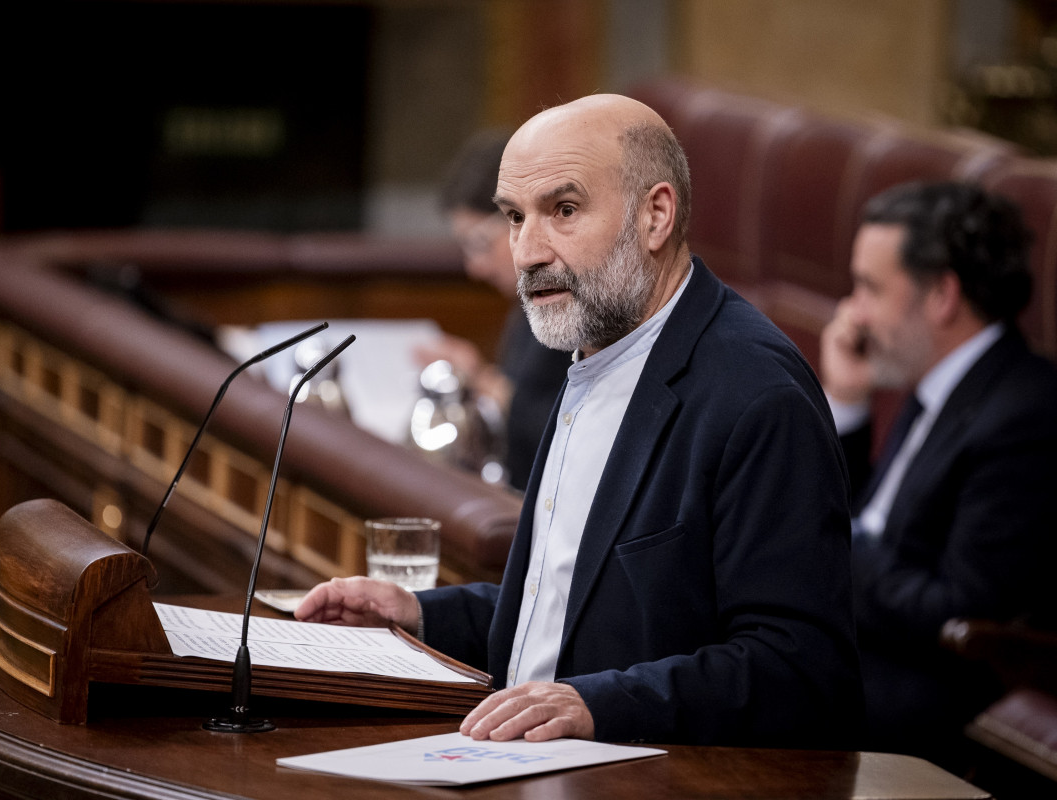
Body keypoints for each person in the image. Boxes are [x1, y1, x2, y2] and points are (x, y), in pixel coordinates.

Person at [298, 93, 862, 747]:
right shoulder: (595, 346)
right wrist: (422, 614)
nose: (527, 251)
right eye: (513, 217)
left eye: (563, 210)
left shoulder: (756, 394)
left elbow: (800, 673)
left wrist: (598, 706)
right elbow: (578, 609)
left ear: (655, 215)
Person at [820, 181, 1057, 765]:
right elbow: (877, 512)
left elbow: (960, 609)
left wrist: (830, 543)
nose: (852, 313)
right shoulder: (934, 378)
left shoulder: (1025, 413)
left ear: (942, 295)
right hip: (855, 643)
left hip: (916, 691)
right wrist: (847, 401)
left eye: (870, 288)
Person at [415, 131, 572, 491]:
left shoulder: (581, 301)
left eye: (481, 243)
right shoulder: (529, 300)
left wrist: (482, 382)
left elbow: (567, 433)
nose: (476, 268)